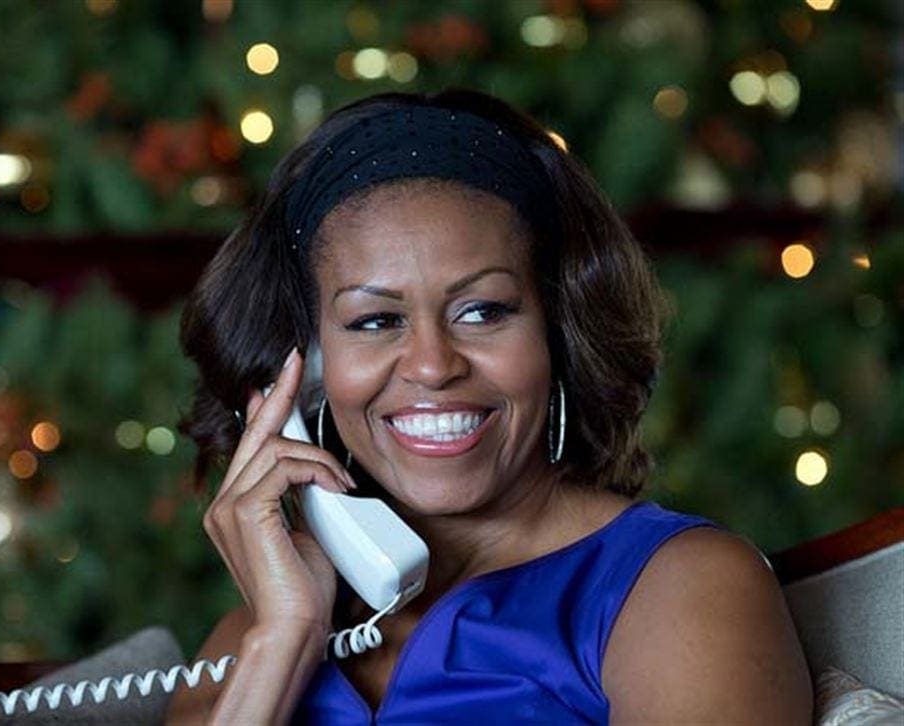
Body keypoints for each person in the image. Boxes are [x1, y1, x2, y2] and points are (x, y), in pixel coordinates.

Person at [167, 89, 812, 725]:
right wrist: (281, 646)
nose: (432, 365)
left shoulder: (682, 589)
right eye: (375, 321)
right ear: (307, 370)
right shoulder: (246, 645)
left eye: (482, 312)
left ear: (558, 331)